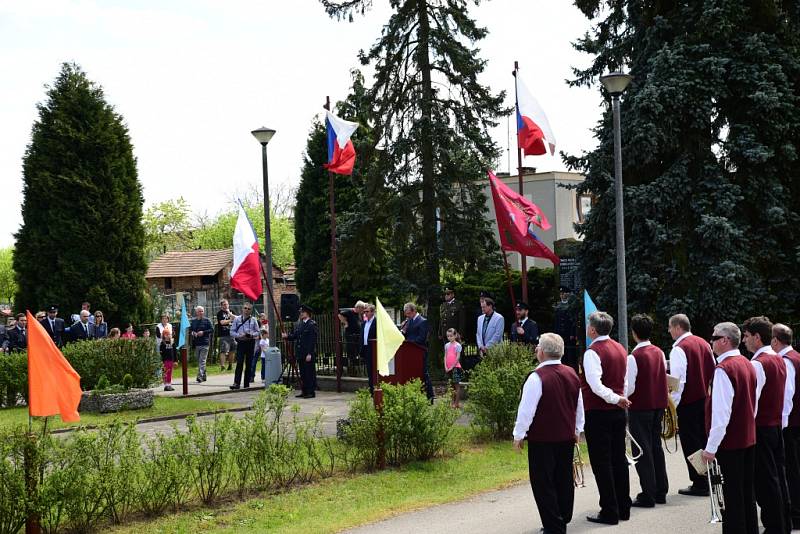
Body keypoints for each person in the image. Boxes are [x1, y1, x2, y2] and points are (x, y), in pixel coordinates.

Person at [513, 332, 584, 534]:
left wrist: (519, 435)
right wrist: (578, 428)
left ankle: (554, 524)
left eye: (537, 347)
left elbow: (526, 410)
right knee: (563, 478)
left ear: (542, 352)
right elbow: (578, 406)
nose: (536, 350)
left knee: (543, 483)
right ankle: (562, 516)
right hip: (565, 436)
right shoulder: (571, 373)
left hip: (543, 439)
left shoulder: (536, 377)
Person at [702, 321, 758, 534]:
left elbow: (721, 415)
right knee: (746, 493)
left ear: (725, 340)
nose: (712, 341)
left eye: (715, 338)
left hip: (731, 442)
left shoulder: (723, 369)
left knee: (732, 497)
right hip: (747, 438)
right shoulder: (747, 363)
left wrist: (710, 448)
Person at [581, 310, 631, 525]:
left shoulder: (593, 352)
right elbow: (624, 380)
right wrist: (620, 397)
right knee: (618, 459)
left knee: (602, 463)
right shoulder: (620, 348)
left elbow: (595, 385)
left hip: (600, 412)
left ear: (592, 329)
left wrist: (614, 398)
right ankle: (623, 506)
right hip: (618, 411)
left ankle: (609, 510)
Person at [742, 316, 790, 533]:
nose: (744, 340)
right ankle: (782, 524)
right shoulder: (778, 358)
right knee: (778, 478)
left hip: (761, 427)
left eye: (747, 336)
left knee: (766, 482)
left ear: (757, 337)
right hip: (775, 425)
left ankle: (774, 527)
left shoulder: (758, 363)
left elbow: (752, 403)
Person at [668, 313, 716, 496]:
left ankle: (700, 482)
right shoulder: (703, 343)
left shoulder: (679, 348)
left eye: (671, 327)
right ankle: (709, 478)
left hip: (688, 402)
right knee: (704, 440)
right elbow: (712, 369)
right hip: (704, 399)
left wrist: (673, 406)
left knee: (691, 444)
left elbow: (679, 382)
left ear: (678, 327)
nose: (669, 331)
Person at [625, 314, 669, 507]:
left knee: (642, 450)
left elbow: (630, 388)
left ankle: (648, 493)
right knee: (655, 447)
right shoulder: (659, 351)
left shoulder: (634, 357)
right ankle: (661, 490)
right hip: (658, 405)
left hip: (641, 406)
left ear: (634, 333)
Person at [773, 323, 800, 529]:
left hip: (791, 424)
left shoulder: (787, 361)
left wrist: (781, 425)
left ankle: (795, 513)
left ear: (775, 341)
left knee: (791, 469)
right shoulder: (795, 357)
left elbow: (786, 397)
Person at [282, 304, 318, 398]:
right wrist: (287, 336)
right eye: (300, 312)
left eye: (303, 312)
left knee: (309, 373)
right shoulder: (300, 324)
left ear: (308, 313)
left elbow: (312, 340)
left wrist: (310, 353)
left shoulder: (311, 324)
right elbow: (295, 335)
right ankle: (304, 391)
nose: (301, 314)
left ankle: (311, 392)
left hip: (307, 353)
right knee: (303, 373)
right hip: (301, 353)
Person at [401, 302, 434, 401]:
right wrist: (403, 331)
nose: (407, 316)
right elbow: (406, 335)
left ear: (414, 311)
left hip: (420, 352)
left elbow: (421, 338)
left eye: (409, 314)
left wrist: (408, 342)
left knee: (423, 374)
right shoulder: (408, 321)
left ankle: (430, 396)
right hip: (410, 353)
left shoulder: (422, 321)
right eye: (406, 314)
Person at [230, 303, 260, 390]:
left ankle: (246, 384)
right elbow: (232, 332)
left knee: (249, 363)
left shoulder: (254, 319)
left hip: (250, 342)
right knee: (239, 362)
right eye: (245, 308)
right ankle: (236, 383)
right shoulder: (237, 319)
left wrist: (251, 335)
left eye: (249, 309)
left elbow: (258, 332)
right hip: (241, 343)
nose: (246, 310)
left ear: (251, 310)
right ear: (242, 309)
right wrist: (239, 335)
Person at [554, 287, 578, 370]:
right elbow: (556, 321)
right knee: (562, 353)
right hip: (560, 333)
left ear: (568, 294)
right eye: (561, 294)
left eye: (563, 293)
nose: (562, 295)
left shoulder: (572, 305)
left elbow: (574, 321)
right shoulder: (558, 306)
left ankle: (572, 369)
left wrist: (572, 333)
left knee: (570, 354)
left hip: (569, 334)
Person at [339, 301, 366, 373]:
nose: (363, 310)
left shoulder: (359, 314)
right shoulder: (349, 311)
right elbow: (340, 315)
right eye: (362, 308)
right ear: (358, 307)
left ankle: (356, 364)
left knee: (358, 349)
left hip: (357, 335)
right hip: (350, 334)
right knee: (351, 349)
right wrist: (345, 323)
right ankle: (351, 366)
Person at [190, 306, 213, 383]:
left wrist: (203, 332)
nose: (201, 313)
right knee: (199, 360)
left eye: (202, 311)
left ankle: (199, 376)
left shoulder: (207, 320)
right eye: (199, 311)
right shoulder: (193, 321)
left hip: (205, 343)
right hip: (197, 344)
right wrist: (194, 333)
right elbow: (191, 330)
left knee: (202, 361)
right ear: (196, 312)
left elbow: (212, 329)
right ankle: (204, 375)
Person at [443, 328, 463, 408]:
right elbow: (445, 356)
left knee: (456, 386)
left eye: (451, 336)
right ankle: (452, 403)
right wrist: (445, 366)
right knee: (451, 386)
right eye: (448, 336)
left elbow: (457, 357)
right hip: (448, 368)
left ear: (455, 335)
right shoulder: (446, 345)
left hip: (455, 368)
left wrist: (452, 367)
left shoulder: (458, 345)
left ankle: (457, 403)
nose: (449, 337)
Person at [360, 304, 377, 394]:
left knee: (375, 370)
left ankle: (376, 388)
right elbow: (361, 337)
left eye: (367, 311)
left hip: (374, 349)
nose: (365, 313)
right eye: (364, 311)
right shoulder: (364, 323)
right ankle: (371, 390)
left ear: (372, 312)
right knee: (369, 370)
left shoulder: (376, 322)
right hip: (366, 349)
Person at [216, 300, 235, 371]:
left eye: (227, 304)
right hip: (223, 335)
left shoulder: (232, 311)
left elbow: (236, 319)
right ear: (221, 306)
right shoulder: (219, 313)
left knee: (232, 351)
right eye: (224, 304)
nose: (226, 306)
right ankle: (223, 366)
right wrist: (230, 320)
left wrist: (230, 314)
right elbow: (222, 322)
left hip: (232, 334)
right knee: (223, 351)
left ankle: (230, 365)